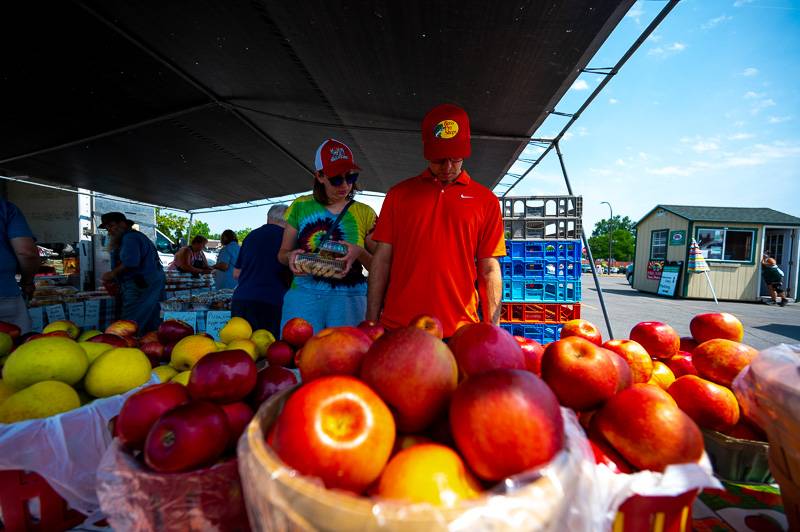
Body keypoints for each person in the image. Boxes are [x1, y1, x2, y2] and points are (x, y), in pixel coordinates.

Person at [366, 103, 505, 339]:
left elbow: (489, 269)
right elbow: (383, 259)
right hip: (399, 326)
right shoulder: (398, 195)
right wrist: (370, 321)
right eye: (439, 160)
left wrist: (493, 331)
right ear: (426, 152)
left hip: (459, 330)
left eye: (455, 158)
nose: (448, 167)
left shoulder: (486, 201)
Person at [277, 139, 377, 332]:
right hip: (304, 299)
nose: (345, 185)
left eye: (351, 177)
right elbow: (282, 253)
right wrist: (290, 257)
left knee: (348, 358)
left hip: (349, 302)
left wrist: (359, 252)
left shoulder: (365, 213)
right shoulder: (300, 206)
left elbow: (379, 265)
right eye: (336, 179)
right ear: (320, 176)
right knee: (300, 358)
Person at [100, 212, 165, 332]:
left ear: (122, 224)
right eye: (107, 227)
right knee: (151, 315)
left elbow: (131, 262)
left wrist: (112, 274)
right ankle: (148, 339)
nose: (109, 230)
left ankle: (129, 342)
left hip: (141, 283)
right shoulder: (135, 236)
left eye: (111, 226)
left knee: (131, 319)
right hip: (149, 281)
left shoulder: (130, 238)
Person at [231, 205, 291, 337]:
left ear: (268, 218)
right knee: (268, 350)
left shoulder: (251, 236)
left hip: (242, 300)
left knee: (239, 348)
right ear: (288, 219)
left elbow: (236, 273)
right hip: (272, 301)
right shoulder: (288, 240)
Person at [0, 199, 39, 332]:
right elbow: (26, 252)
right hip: (4, 294)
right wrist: (27, 282)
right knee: (14, 345)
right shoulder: (5, 207)